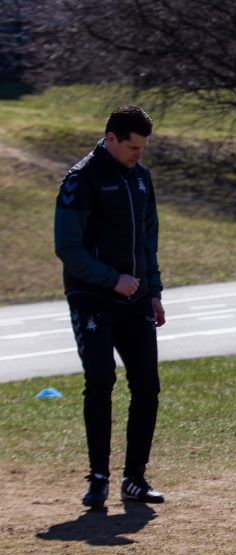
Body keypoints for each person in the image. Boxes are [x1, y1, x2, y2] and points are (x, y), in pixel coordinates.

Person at [54, 105, 166, 508]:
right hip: (93, 297)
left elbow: (147, 240)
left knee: (147, 386)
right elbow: (67, 247)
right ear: (112, 139)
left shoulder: (140, 177)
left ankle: (134, 478)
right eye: (133, 147)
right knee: (101, 379)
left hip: (135, 299)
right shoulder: (81, 179)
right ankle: (98, 476)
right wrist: (111, 279)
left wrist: (153, 291)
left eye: (143, 147)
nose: (139, 154)